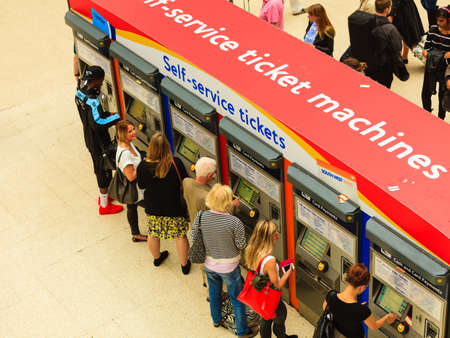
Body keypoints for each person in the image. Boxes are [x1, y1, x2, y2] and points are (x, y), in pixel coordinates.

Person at [190, 184, 258, 338]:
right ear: (228, 203)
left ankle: (216, 319)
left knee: (214, 293)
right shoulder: (234, 222)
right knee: (237, 299)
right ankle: (242, 331)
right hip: (229, 268)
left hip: (209, 265)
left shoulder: (201, 216)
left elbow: (194, 237)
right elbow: (241, 245)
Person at [137, 132, 191, 273]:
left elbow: (141, 185)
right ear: (167, 147)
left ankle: (157, 258)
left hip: (153, 206)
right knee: (180, 235)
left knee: (153, 233)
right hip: (174, 206)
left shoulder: (143, 166)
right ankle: (184, 265)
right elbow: (185, 182)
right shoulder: (175, 163)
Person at [75, 65, 123, 215]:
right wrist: (116, 117)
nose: (102, 84)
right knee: (103, 169)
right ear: (95, 81)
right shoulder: (92, 100)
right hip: (99, 141)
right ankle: (104, 205)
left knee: (100, 166)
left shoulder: (79, 92)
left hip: (88, 137)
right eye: (101, 81)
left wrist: (107, 113)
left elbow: (94, 117)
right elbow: (97, 123)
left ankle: (105, 197)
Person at [244, 220, 297, 338]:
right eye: (275, 234)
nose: (278, 235)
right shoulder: (270, 260)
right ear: (270, 238)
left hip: (260, 294)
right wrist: (288, 272)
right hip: (270, 297)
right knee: (280, 314)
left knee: (266, 317)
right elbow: (277, 285)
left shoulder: (253, 249)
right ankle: (281, 335)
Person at [323, 263, 397, 338]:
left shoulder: (331, 295)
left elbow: (326, 310)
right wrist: (387, 317)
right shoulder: (362, 310)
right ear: (362, 287)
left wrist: (355, 310)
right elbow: (374, 326)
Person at [115, 120, 148, 243]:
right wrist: (144, 164)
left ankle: (135, 234)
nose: (134, 132)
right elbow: (131, 176)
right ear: (123, 134)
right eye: (130, 131)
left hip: (134, 188)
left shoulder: (129, 144)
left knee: (131, 206)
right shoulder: (125, 154)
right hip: (136, 189)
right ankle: (155, 232)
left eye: (133, 129)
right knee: (151, 206)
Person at [365, 0, 403, 88]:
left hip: (369, 64)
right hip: (384, 67)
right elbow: (398, 49)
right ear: (387, 10)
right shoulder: (391, 29)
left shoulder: (366, 22)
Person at [421, 6, 450, 120]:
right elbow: (426, 47)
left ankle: (440, 119)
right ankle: (426, 114)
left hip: (444, 68)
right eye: (437, 20)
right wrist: (425, 52)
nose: (438, 23)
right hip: (431, 66)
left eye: (441, 21)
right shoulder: (433, 29)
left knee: (442, 95)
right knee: (426, 92)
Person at [182, 157, 217, 222]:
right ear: (210, 175)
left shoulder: (186, 182)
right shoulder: (207, 198)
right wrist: (233, 205)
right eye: (214, 173)